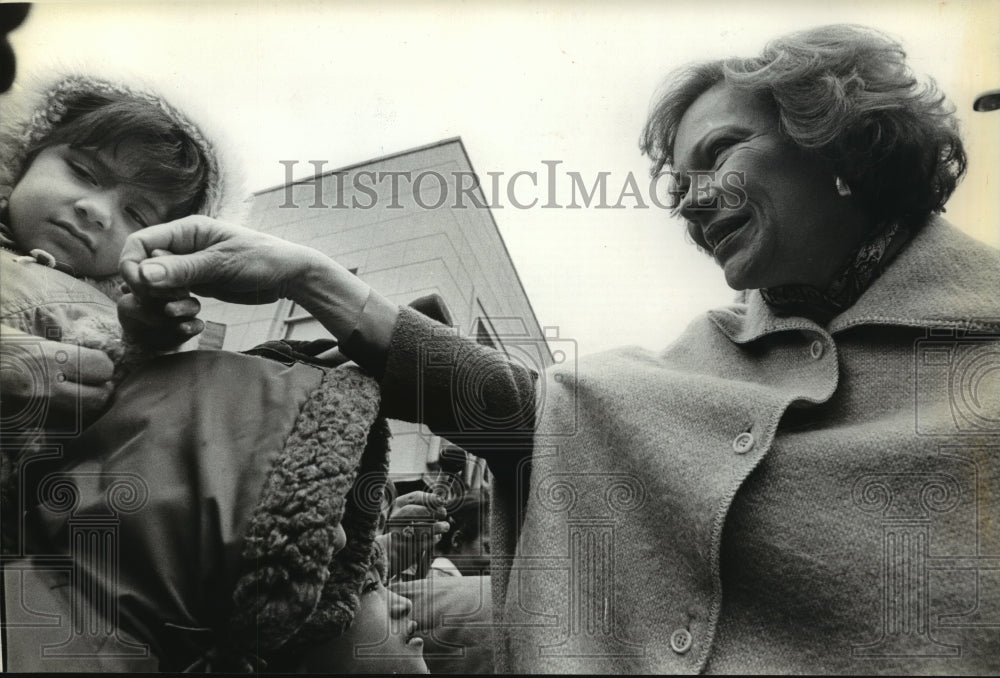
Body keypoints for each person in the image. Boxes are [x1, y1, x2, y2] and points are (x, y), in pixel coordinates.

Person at [118, 24, 999, 674]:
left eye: (718, 152)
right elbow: (528, 415)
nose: (687, 202)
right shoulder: (690, 364)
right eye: (673, 183)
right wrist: (306, 277)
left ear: (838, 135)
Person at [0, 73, 239, 553]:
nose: (97, 211)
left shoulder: (122, 319)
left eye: (139, 216)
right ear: (23, 154)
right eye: (85, 173)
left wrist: (140, 345)